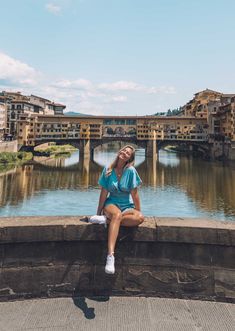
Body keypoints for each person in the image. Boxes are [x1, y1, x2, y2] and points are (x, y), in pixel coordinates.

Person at [96, 145, 144, 274]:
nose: (124, 153)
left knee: (139, 218)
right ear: (119, 152)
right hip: (112, 203)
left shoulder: (131, 171)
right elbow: (104, 193)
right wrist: (98, 210)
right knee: (116, 215)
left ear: (130, 158)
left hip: (127, 206)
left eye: (127, 153)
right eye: (123, 150)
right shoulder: (108, 169)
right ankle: (110, 256)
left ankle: (107, 221)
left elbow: (134, 194)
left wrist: (138, 210)